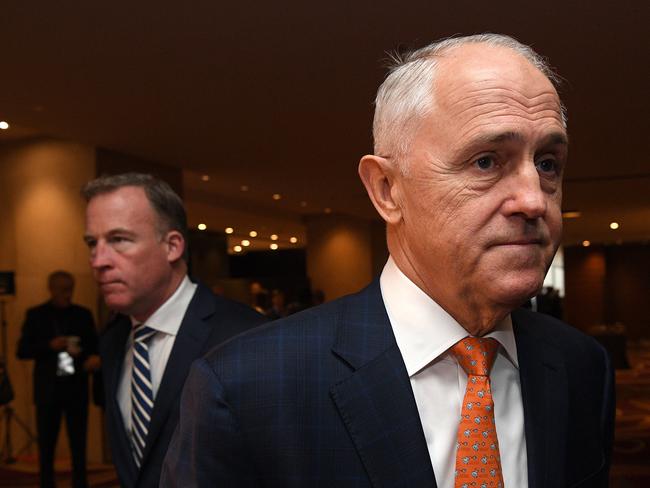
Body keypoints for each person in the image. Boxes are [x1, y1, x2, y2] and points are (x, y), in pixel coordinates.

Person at [161, 34, 615, 487]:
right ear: (386, 190)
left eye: (548, 163)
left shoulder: (581, 367)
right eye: (486, 162)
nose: (534, 200)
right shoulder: (246, 388)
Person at [82, 173, 266, 488]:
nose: (99, 260)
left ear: (172, 246)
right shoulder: (113, 339)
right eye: (92, 243)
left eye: (119, 240)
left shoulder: (247, 336)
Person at [17, 271, 99, 488]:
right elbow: (22, 350)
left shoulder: (83, 314)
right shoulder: (36, 315)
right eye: (62, 289)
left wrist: (84, 354)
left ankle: (80, 483)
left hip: (76, 388)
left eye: (70, 289)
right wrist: (48, 346)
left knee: (78, 443)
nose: (67, 294)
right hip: (48, 390)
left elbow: (95, 347)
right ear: (51, 289)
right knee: (47, 445)